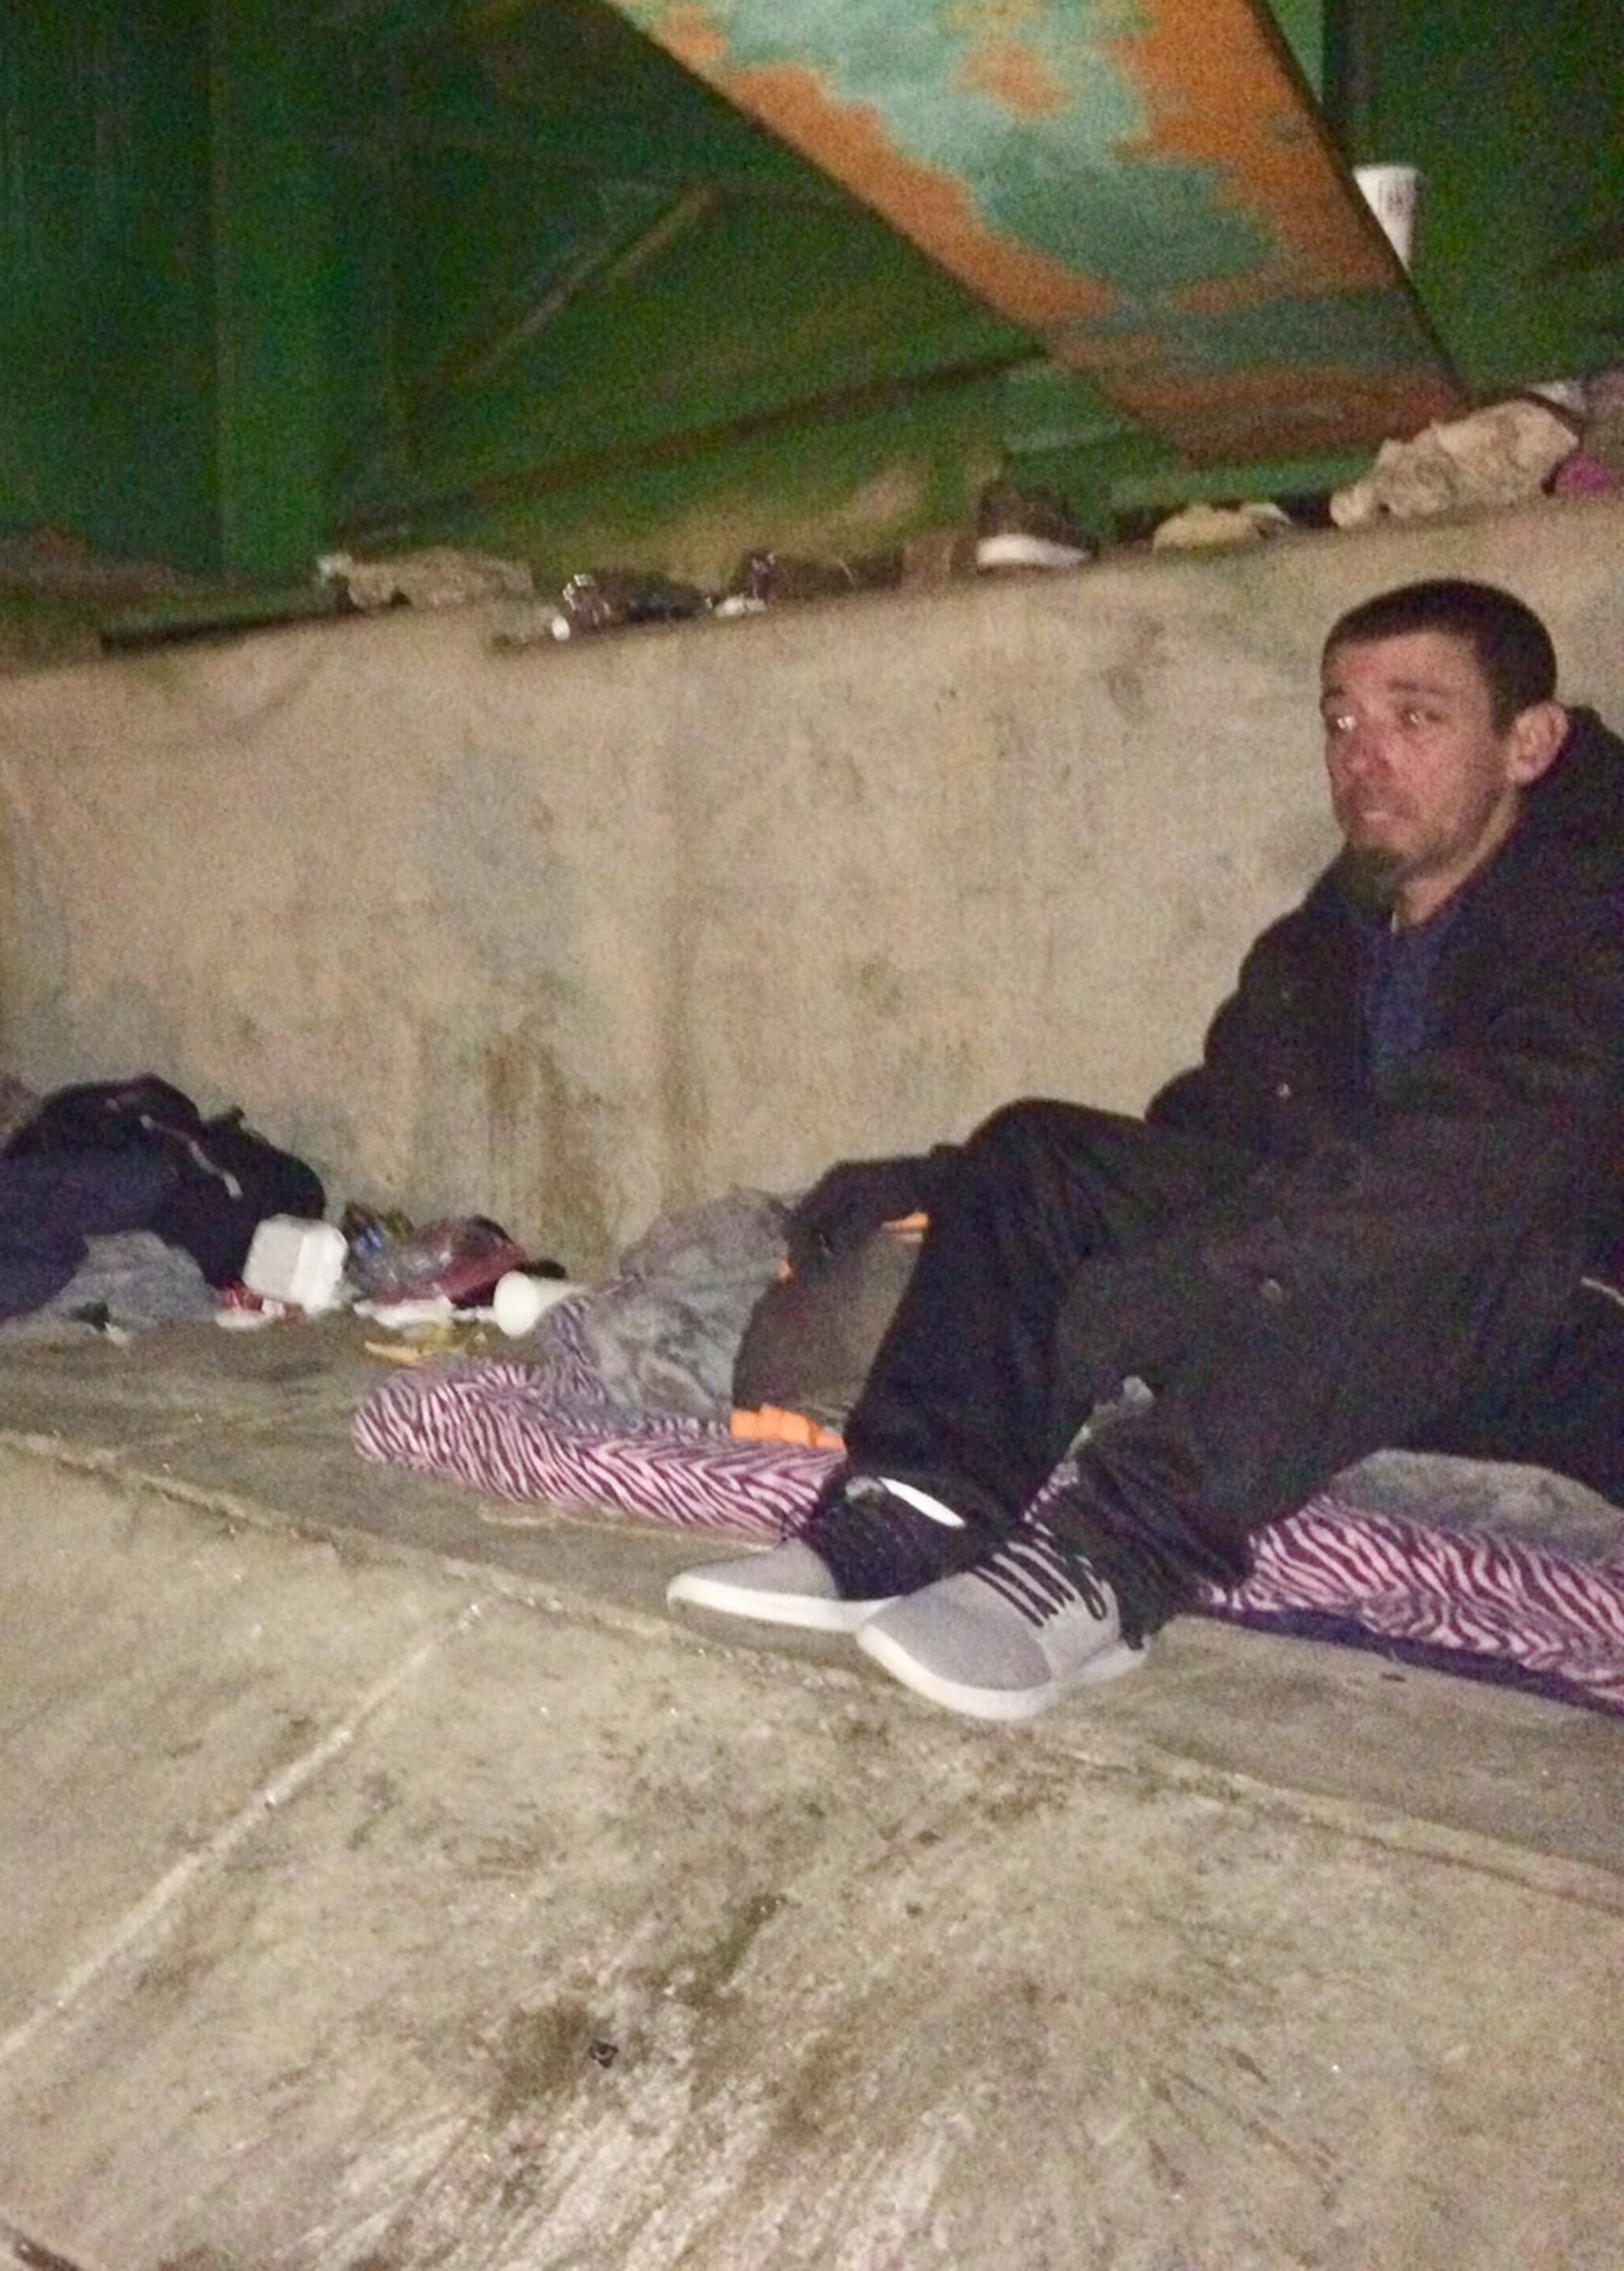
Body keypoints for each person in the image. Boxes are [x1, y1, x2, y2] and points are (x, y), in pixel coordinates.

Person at [670, 578, 1624, 1721]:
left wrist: (1228, 1264)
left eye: (1415, 718)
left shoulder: (1594, 912)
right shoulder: (1324, 946)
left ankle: (1108, 1562)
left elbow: (1513, 1140)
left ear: (1529, 742)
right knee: (1038, 1153)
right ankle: (913, 1511)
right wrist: (960, 1185)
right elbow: (1209, 1143)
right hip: (1345, 1312)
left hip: (1559, 1335)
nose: (1363, 757)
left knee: (1423, 1222)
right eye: (1340, 721)